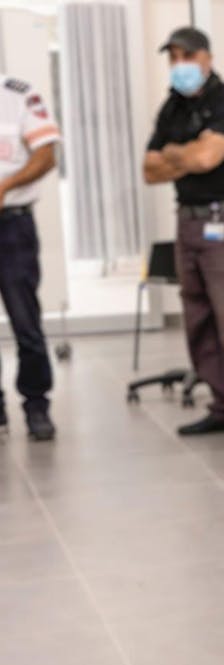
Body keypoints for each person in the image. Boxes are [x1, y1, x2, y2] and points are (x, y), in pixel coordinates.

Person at [142, 27, 224, 448]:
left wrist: (179, 155)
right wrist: (190, 154)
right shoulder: (172, 108)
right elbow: (149, 170)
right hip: (189, 222)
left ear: (207, 57)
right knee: (199, 320)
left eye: (187, 55)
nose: (180, 64)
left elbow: (208, 156)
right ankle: (223, 407)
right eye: (173, 57)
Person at [0, 74, 60, 442]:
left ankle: (36, 404)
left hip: (11, 228)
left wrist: (5, 186)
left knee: (26, 323)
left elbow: (46, 155)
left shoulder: (18, 95)